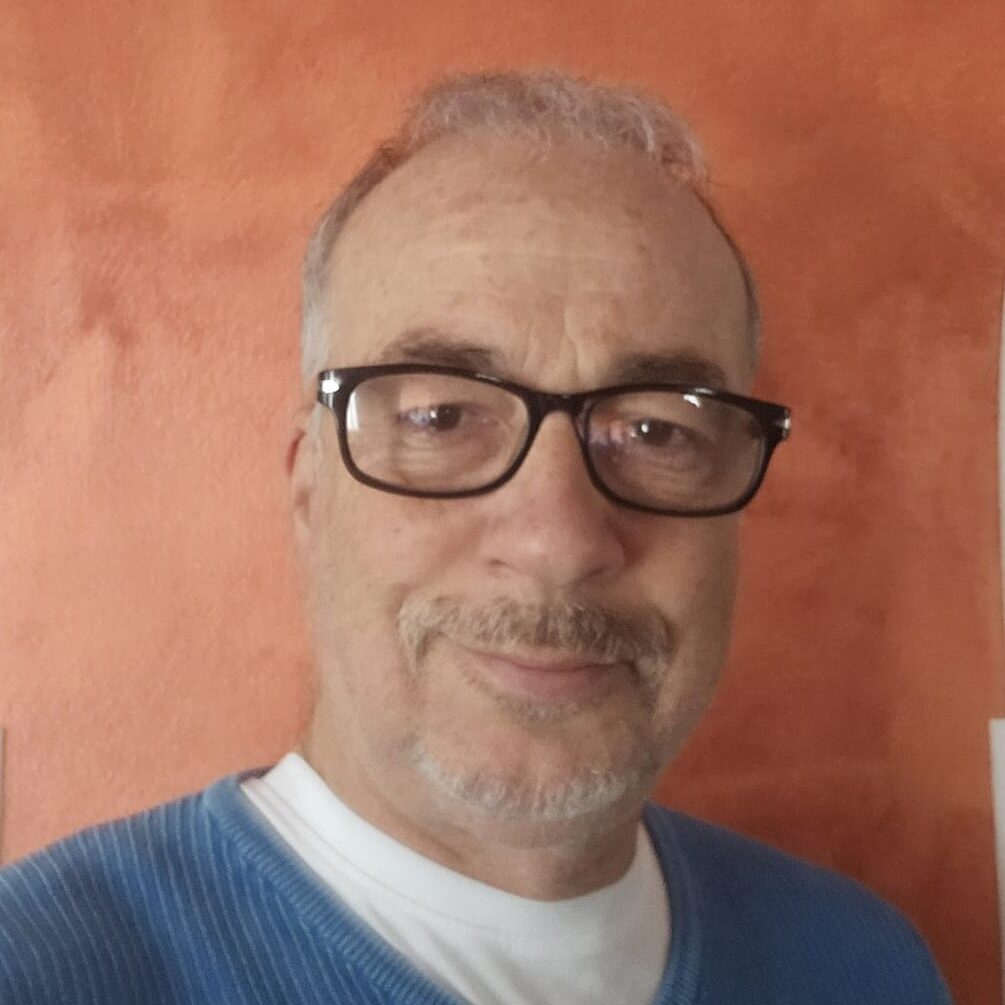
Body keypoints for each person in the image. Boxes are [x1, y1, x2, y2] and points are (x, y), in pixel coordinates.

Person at [0, 70, 951, 1005]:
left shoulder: (865, 964)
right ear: (308, 487)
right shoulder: (38, 970)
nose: (556, 541)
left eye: (657, 431)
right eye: (441, 417)